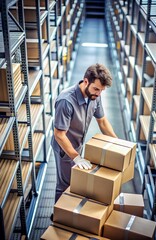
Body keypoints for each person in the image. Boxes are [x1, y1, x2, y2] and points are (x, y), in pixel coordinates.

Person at [51, 63, 117, 203]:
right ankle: (58, 218)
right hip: (65, 147)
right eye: (96, 89)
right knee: (65, 185)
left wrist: (119, 144)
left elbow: (102, 122)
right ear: (85, 81)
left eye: (101, 91)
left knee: (76, 182)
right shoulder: (66, 101)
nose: (98, 93)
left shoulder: (94, 96)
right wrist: (77, 158)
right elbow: (59, 135)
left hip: (78, 144)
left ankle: (71, 213)